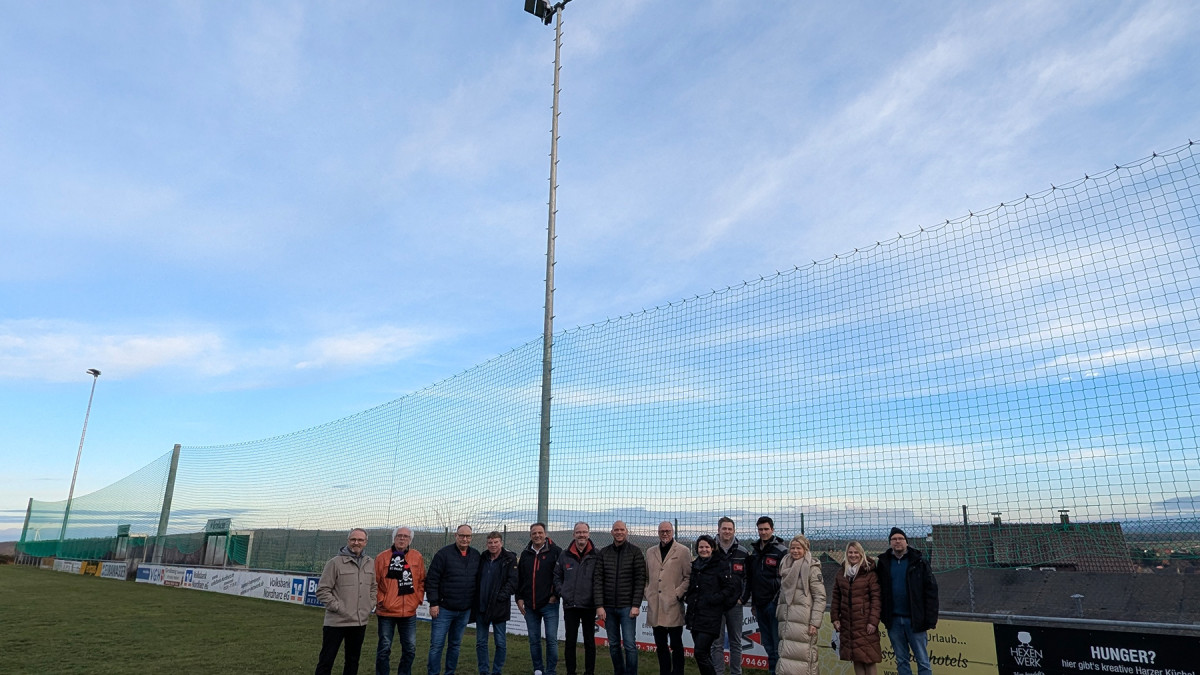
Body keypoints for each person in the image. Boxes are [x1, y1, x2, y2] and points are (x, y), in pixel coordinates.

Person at [315, 528, 378, 675]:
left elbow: (373, 587)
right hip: (336, 622)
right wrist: (338, 608)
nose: (356, 542)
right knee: (326, 661)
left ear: (365, 542)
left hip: (359, 622)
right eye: (353, 539)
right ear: (348, 541)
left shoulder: (370, 563)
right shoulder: (335, 563)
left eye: (360, 540)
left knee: (353, 661)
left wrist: (370, 604)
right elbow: (322, 590)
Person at [876, 528, 938, 675]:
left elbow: (931, 591)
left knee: (923, 661)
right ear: (890, 543)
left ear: (906, 542)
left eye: (900, 538)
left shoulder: (919, 562)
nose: (897, 541)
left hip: (915, 620)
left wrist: (930, 618)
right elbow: (879, 590)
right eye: (894, 539)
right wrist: (884, 616)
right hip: (894, 621)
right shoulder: (884, 563)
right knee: (901, 660)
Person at [427, 524, 482, 675]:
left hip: (464, 610)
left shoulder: (476, 555)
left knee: (455, 645)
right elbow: (432, 580)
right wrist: (434, 603)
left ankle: (449, 672)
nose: (465, 539)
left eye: (468, 536)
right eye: (461, 535)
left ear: (471, 537)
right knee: (437, 645)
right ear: (455, 536)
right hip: (443, 609)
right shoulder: (443, 554)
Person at [594, 520, 647, 675]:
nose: (619, 532)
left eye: (622, 529)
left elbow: (640, 580)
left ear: (626, 531)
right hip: (608, 608)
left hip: (628, 607)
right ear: (612, 532)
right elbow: (598, 580)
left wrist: (636, 605)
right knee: (614, 645)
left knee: (629, 645)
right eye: (616, 530)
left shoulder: (635, 552)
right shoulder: (604, 552)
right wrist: (599, 605)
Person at [685, 535, 740, 675]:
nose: (704, 550)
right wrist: (689, 599)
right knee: (705, 654)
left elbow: (730, 588)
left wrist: (716, 599)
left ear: (712, 548)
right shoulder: (695, 565)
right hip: (695, 615)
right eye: (701, 547)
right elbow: (692, 587)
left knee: (700, 652)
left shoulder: (720, 565)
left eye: (707, 547)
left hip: (711, 617)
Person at [374, 527, 426, 675]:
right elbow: (373, 582)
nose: (402, 539)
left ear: (410, 540)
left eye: (405, 536)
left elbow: (422, 580)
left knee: (410, 649)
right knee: (384, 649)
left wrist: (417, 599)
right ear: (394, 538)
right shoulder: (382, 557)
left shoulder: (417, 557)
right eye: (399, 536)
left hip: (409, 612)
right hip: (386, 611)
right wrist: (381, 600)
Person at [645, 521, 691, 675]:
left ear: (672, 532)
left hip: (673, 605)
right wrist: (648, 592)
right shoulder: (650, 552)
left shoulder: (683, 551)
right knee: (660, 645)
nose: (665, 533)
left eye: (667, 531)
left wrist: (677, 593)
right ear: (658, 532)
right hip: (655, 605)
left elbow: (688, 577)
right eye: (662, 531)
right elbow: (646, 577)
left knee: (676, 644)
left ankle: (678, 672)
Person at [744, 516, 788, 675]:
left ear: (772, 530)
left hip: (774, 605)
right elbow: (752, 579)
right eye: (760, 529)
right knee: (768, 646)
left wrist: (776, 601)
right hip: (759, 605)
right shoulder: (755, 552)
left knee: (777, 646)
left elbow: (786, 580)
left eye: (766, 529)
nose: (763, 532)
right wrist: (754, 603)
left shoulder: (781, 551)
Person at [775, 535, 825, 675]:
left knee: (804, 659)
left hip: (804, 622)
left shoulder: (812, 569)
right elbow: (782, 593)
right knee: (786, 658)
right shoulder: (785, 565)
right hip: (786, 620)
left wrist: (814, 622)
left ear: (805, 549)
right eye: (792, 548)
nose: (795, 551)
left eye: (799, 548)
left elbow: (820, 597)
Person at [555, 522, 600, 675]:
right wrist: (563, 592)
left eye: (584, 532)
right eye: (578, 532)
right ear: (573, 534)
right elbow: (557, 576)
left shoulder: (596, 555)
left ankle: (589, 672)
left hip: (589, 605)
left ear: (589, 534)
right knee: (570, 642)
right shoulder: (564, 555)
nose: (582, 535)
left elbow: (600, 578)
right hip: (570, 605)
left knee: (589, 642)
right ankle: (570, 672)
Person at [830, 542, 882, 675]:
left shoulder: (869, 573)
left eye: (856, 552)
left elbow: (876, 599)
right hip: (847, 624)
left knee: (869, 659)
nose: (853, 555)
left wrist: (873, 622)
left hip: (865, 624)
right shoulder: (841, 573)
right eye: (850, 552)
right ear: (846, 554)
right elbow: (836, 597)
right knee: (856, 658)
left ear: (861, 554)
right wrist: (835, 618)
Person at [518, 522, 563, 675]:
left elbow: (561, 576)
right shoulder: (525, 554)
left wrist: (555, 595)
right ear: (530, 535)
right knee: (534, 639)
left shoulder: (556, 551)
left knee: (551, 639)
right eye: (534, 533)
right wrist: (519, 597)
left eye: (540, 533)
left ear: (545, 534)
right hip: (530, 605)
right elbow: (520, 578)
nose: (537, 535)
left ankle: (550, 671)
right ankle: (538, 668)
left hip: (549, 604)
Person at [476, 531, 519, 675]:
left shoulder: (509, 559)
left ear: (501, 543)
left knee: (500, 642)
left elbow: (513, 582)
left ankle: (497, 671)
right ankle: (483, 671)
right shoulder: (483, 557)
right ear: (487, 544)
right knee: (481, 642)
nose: (493, 545)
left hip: (499, 607)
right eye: (490, 542)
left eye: (496, 542)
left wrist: (500, 597)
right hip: (482, 607)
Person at [711, 517, 750, 675]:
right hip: (716, 605)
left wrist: (742, 599)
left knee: (736, 643)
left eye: (729, 529)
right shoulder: (710, 550)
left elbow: (748, 578)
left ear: (734, 531)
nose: (727, 531)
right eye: (724, 528)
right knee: (716, 644)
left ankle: (736, 673)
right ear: (718, 530)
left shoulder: (743, 552)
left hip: (735, 605)